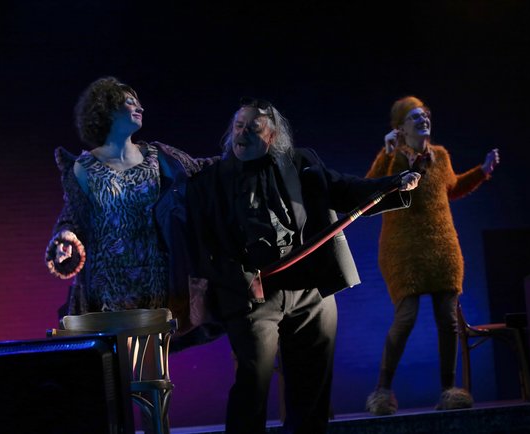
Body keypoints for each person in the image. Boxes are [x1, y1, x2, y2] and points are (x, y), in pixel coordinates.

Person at [186, 97, 421, 434]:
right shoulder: (210, 181)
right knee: (253, 383)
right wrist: (240, 277)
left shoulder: (301, 163)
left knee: (311, 385)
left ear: (272, 136)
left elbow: (345, 189)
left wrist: (393, 184)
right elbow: (202, 245)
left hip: (310, 290)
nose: (242, 133)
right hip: (254, 294)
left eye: (254, 128)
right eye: (238, 126)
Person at [45, 76, 215, 334]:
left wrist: (240, 158)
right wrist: (66, 239)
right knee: (114, 355)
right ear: (107, 110)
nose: (140, 107)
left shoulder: (159, 157)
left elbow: (203, 171)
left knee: (153, 354)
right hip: (107, 286)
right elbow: (73, 215)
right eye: (129, 102)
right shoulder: (84, 167)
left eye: (138, 103)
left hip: (155, 280)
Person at [364, 95, 500, 415]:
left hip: (442, 248)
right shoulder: (393, 158)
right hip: (403, 251)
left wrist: (482, 171)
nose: (423, 119)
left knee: (448, 321)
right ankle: (382, 392)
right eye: (415, 117)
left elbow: (453, 187)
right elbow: (370, 190)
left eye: (425, 114)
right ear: (400, 127)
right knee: (406, 318)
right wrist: (387, 153)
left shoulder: (440, 156)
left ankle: (448, 390)